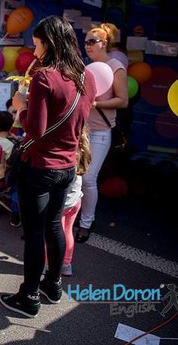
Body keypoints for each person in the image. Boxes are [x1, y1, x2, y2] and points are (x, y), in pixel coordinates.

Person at [0, 15, 96, 318]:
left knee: (34, 232)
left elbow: (36, 130)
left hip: (40, 166)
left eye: (37, 41)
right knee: (54, 225)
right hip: (68, 165)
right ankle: (52, 285)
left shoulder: (45, 77)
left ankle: (28, 296)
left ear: (49, 43)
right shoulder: (86, 77)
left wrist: (21, 106)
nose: (34, 47)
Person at [76, 24, 128, 243]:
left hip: (101, 132)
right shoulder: (88, 66)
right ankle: (73, 216)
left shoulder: (116, 67)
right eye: (85, 42)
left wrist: (95, 103)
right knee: (74, 177)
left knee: (88, 178)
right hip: (81, 130)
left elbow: (123, 100)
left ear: (104, 43)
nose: (87, 46)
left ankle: (87, 222)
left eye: (91, 42)